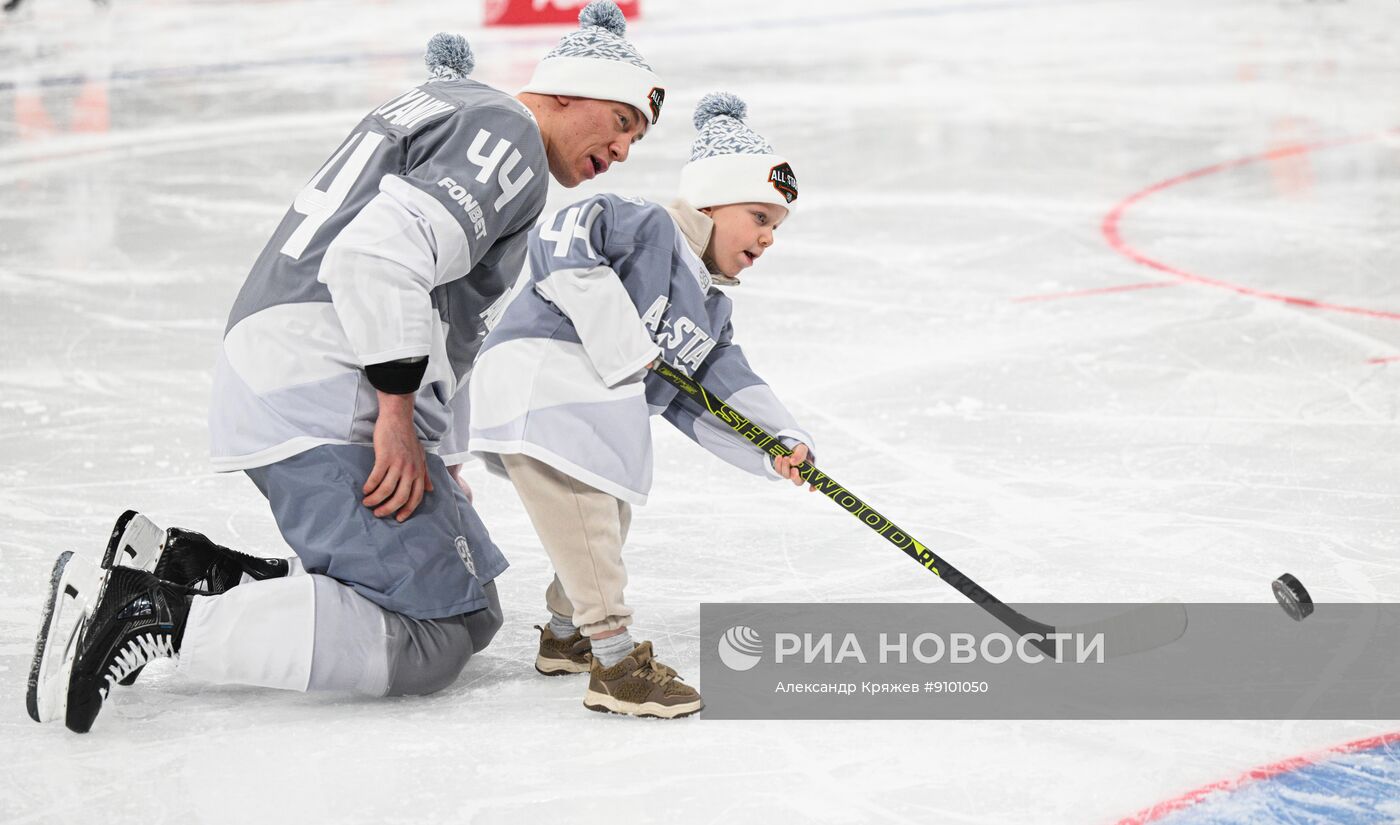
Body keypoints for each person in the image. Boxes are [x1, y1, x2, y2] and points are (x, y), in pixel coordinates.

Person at [27, 1, 667, 734]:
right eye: (621, 122)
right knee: (439, 630)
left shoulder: (463, 107)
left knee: (472, 604)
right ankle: (152, 614)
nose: (623, 151)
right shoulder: (511, 136)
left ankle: (194, 569)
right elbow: (374, 257)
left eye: (636, 140)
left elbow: (437, 309)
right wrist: (395, 411)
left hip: (296, 360)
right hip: (322, 380)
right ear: (565, 88)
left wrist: (432, 442)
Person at [466, 92, 813, 719]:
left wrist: (777, 442)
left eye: (777, 227)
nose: (767, 237)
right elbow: (560, 240)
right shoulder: (644, 224)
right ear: (710, 201)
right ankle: (616, 665)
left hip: (591, 407)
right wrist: (626, 341)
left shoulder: (709, 309)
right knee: (589, 520)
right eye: (759, 215)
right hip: (546, 380)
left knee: (602, 524)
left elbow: (715, 385)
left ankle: (566, 637)